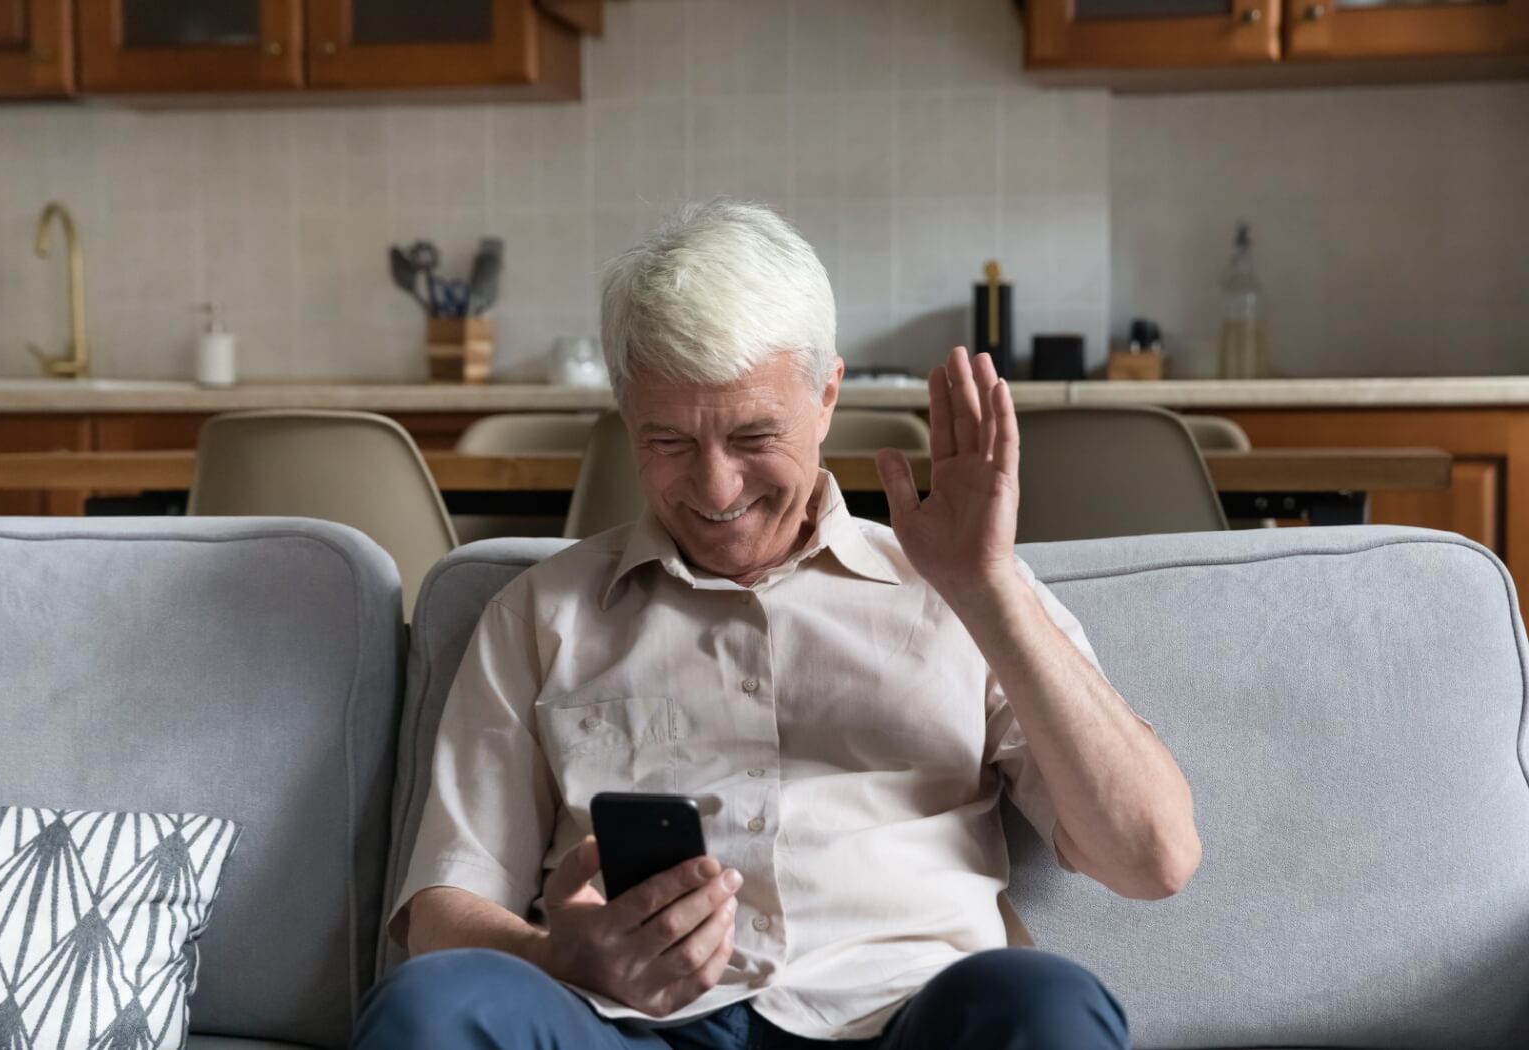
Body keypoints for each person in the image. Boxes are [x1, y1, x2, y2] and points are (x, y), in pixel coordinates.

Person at [354, 200, 1200, 1050]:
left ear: (827, 396)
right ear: (623, 415)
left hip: (903, 1017)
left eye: (755, 434)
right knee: (433, 1005)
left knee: (1046, 1001)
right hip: (626, 1029)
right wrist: (551, 954)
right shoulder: (538, 615)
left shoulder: (960, 590)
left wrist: (986, 588)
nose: (717, 491)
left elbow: (1153, 858)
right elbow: (442, 909)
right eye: (670, 442)